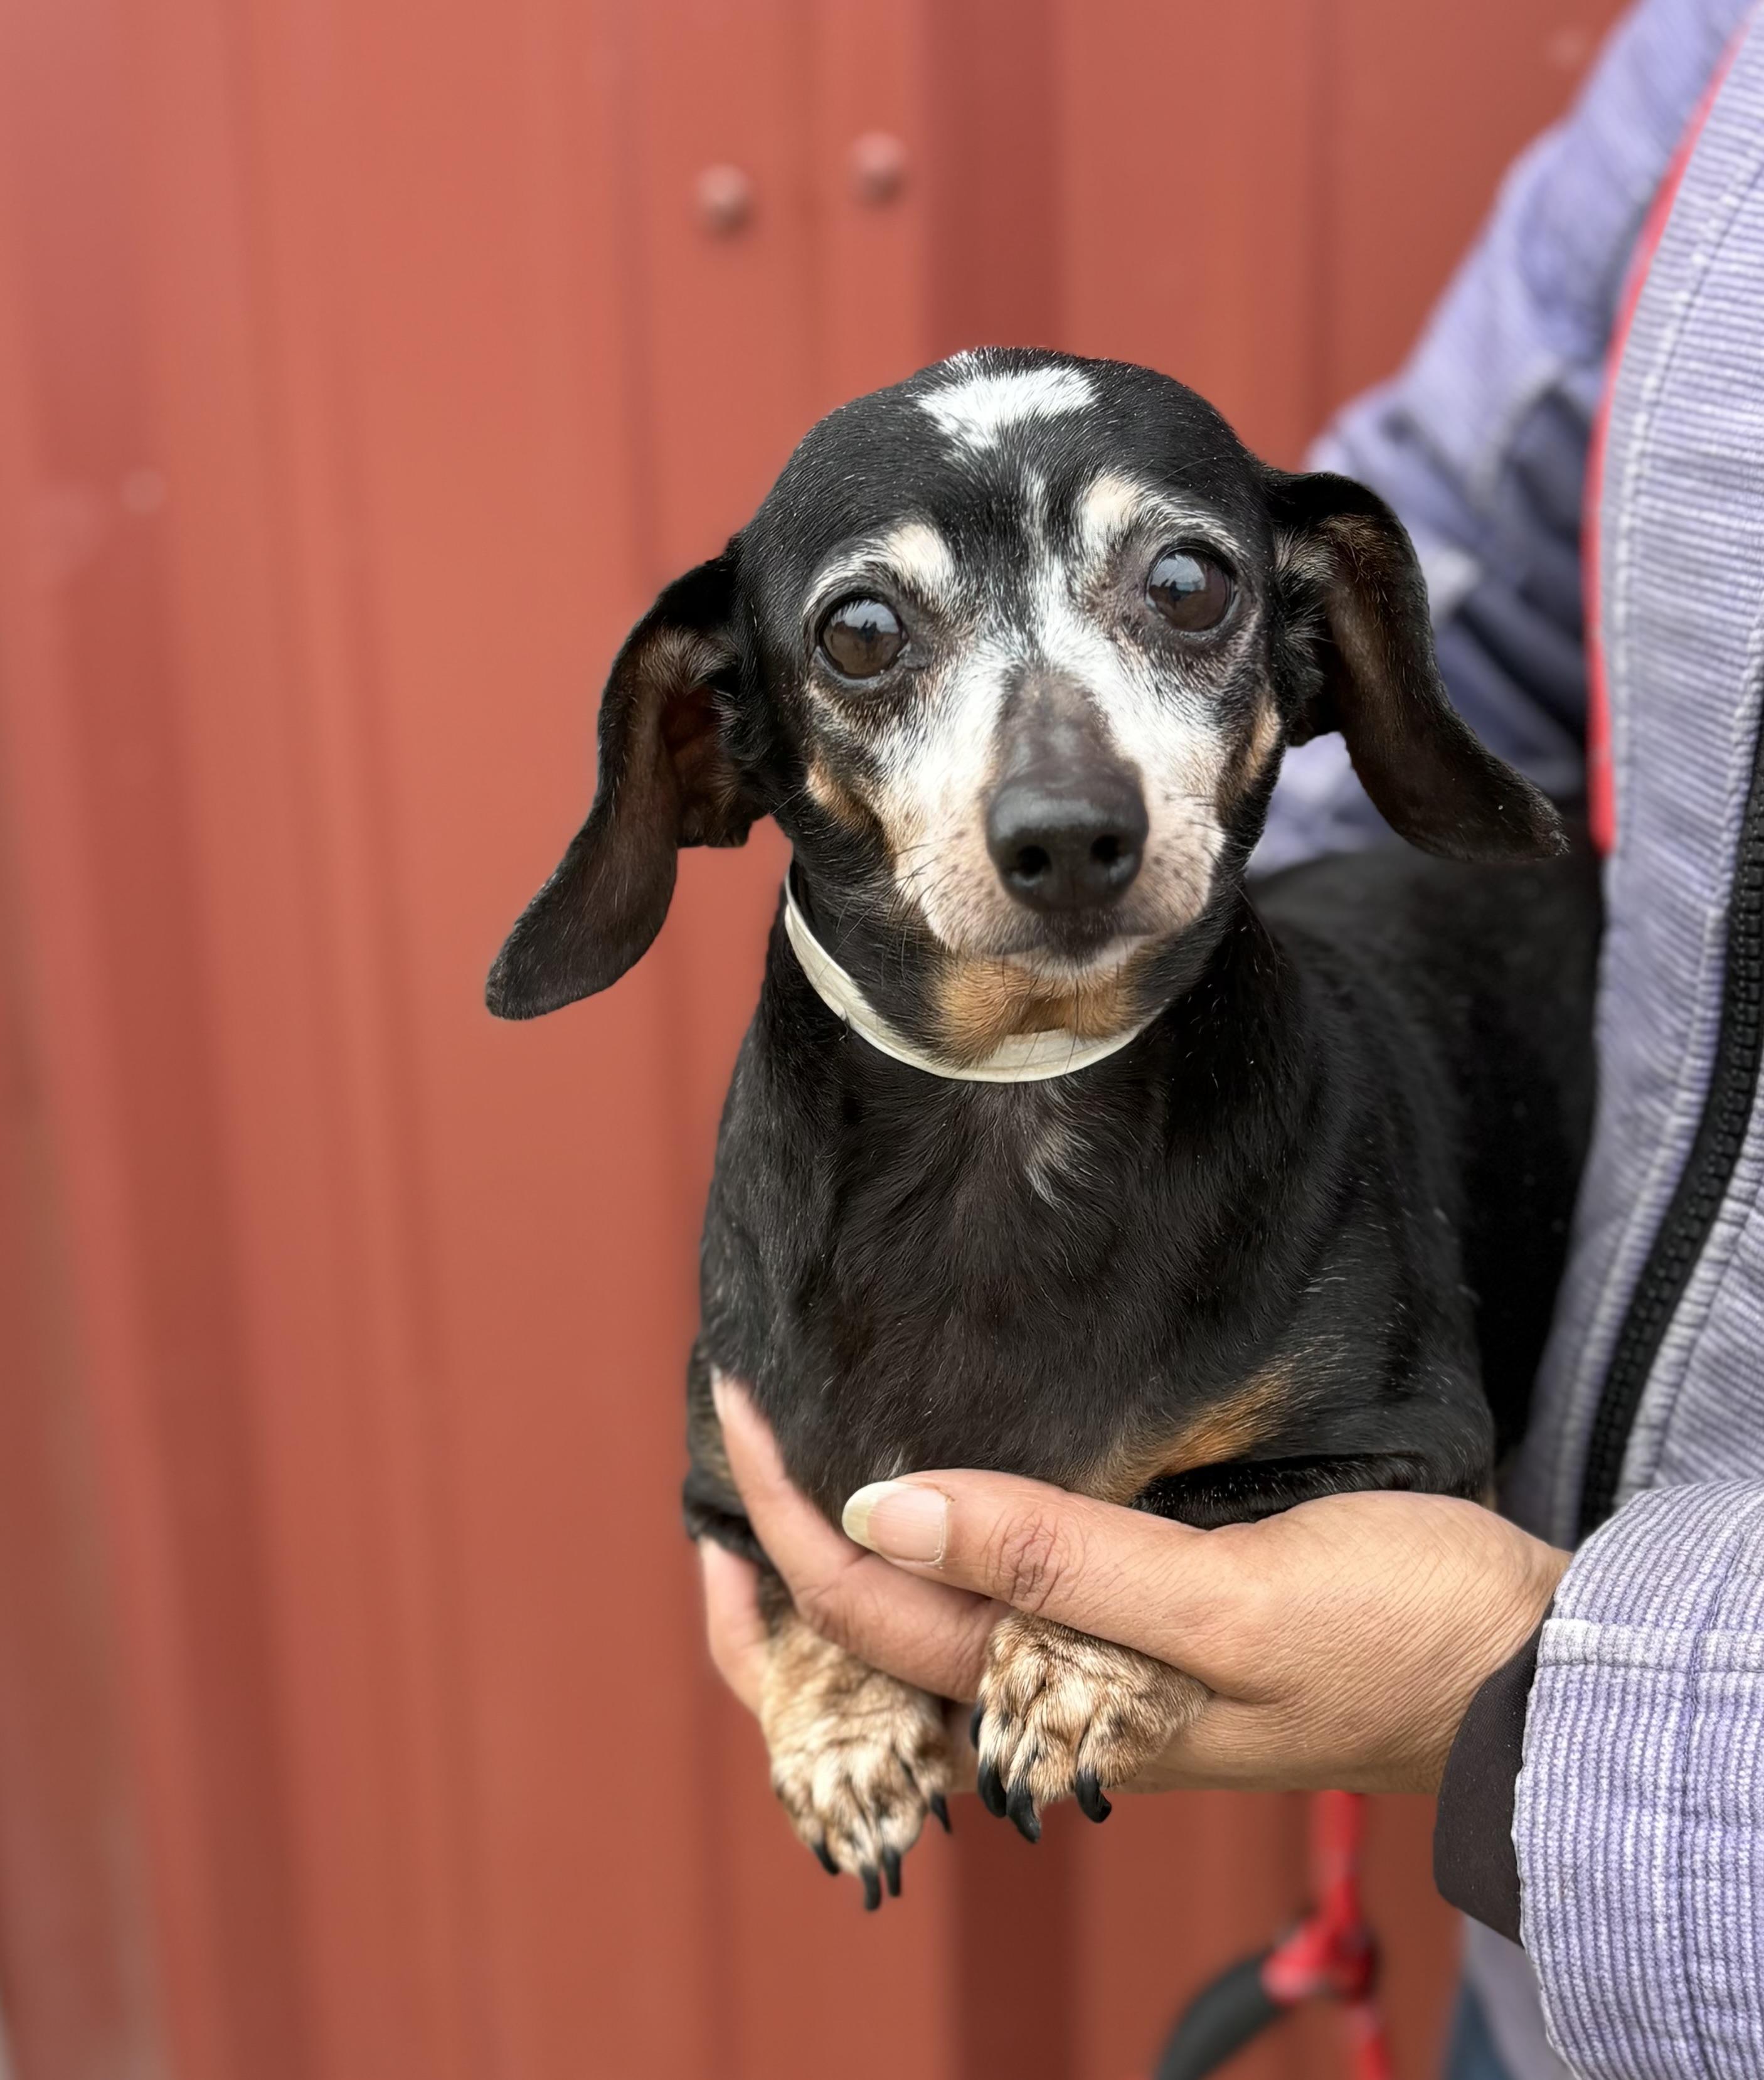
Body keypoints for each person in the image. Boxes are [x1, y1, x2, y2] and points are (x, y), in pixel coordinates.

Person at [699, 2, 1764, 2072]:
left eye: (1169, 595)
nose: (1055, 797)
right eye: (868, 639)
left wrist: (1553, 1709)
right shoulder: (1717, 57)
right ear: (723, 736)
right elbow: (1482, 548)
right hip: (1554, 1962)